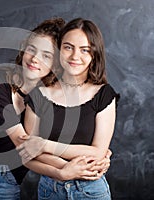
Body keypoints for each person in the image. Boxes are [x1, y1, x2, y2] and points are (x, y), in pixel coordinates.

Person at [0, 18, 110, 200]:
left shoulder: (47, 97)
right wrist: (70, 169)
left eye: (46, 55)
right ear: (23, 50)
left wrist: (96, 157)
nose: (35, 59)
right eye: (31, 49)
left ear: (56, 64)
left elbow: (47, 143)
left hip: (8, 182)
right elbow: (25, 145)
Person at [17, 17, 120, 200]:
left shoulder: (104, 95)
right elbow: (27, 154)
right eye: (68, 47)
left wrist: (44, 145)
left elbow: (98, 152)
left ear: (94, 55)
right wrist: (64, 170)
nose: (75, 56)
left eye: (85, 50)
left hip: (90, 190)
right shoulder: (38, 95)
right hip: (50, 190)